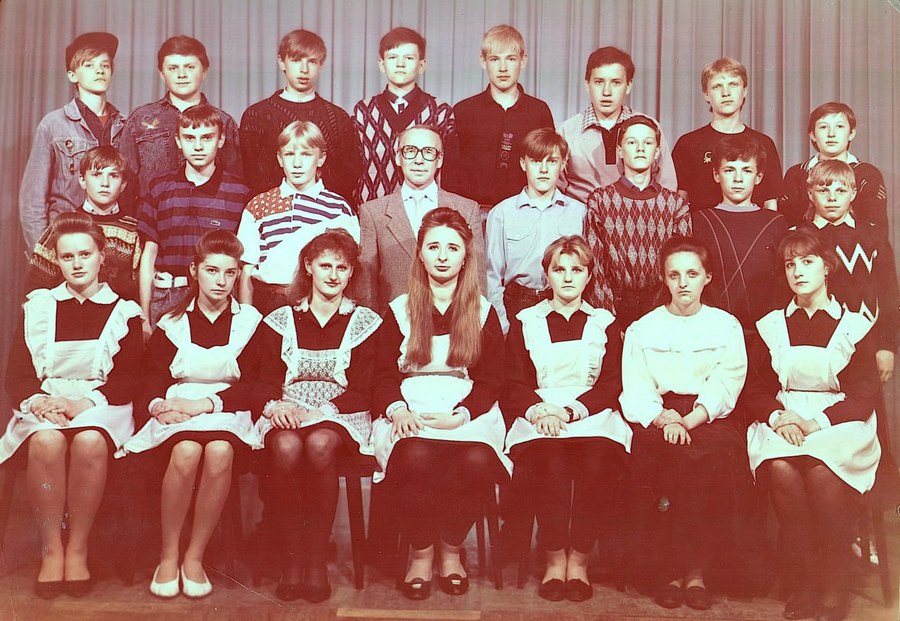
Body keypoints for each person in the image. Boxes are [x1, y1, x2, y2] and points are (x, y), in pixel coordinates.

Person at [0, 212, 143, 598]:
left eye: (85, 254)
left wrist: (84, 402)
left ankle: (77, 548)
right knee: (46, 441)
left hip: (102, 403)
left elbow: (128, 378)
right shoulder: (39, 307)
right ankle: (52, 550)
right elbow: (17, 374)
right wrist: (40, 401)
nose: (77, 264)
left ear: (101, 257)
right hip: (46, 402)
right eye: (67, 256)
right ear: (58, 261)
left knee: (90, 441)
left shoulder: (124, 311)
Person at [370, 207, 509, 600]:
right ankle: (420, 552)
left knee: (477, 458)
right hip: (411, 406)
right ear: (420, 254)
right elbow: (380, 378)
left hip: (465, 408)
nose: (443, 256)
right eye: (433, 247)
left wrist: (462, 415)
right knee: (415, 454)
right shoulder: (399, 310)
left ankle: (451, 548)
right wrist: (397, 410)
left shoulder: (482, 311)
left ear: (466, 256)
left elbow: (492, 379)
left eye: (452, 247)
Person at [745, 229, 881, 621]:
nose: (798, 271)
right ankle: (806, 580)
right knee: (781, 468)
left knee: (822, 470)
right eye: (790, 264)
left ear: (827, 267)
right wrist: (778, 418)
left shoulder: (854, 325)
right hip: (785, 417)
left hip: (839, 422)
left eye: (807, 262)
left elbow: (864, 394)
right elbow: (755, 389)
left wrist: (814, 423)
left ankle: (835, 580)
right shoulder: (771, 326)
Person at [120, 230, 263, 599]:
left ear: (237, 275)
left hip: (228, 410)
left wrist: (205, 404)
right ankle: (169, 554)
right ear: (194, 270)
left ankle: (195, 557)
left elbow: (256, 385)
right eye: (212, 271)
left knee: (219, 450)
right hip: (178, 408)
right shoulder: (171, 323)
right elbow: (152, 378)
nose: (220, 281)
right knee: (185, 451)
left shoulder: (249, 321)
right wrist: (158, 406)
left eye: (229, 273)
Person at [620, 235, 747, 611]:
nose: (683, 283)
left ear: (707, 277)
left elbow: (727, 383)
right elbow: (636, 385)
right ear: (664, 278)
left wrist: (688, 420)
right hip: (659, 414)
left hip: (708, 415)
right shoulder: (644, 328)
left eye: (692, 274)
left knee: (710, 459)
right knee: (661, 457)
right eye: (674, 275)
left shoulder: (725, 326)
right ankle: (668, 572)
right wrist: (662, 418)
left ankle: (697, 572)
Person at [253, 229, 381, 603]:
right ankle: (293, 559)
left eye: (342, 267)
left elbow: (365, 388)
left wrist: (323, 411)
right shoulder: (280, 320)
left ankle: (315, 560)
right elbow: (262, 380)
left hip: (340, 413)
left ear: (351, 271)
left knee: (321, 443)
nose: (333, 275)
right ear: (308, 267)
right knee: (287, 446)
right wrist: (277, 407)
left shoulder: (365, 322)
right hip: (288, 410)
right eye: (325, 265)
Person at [503, 235, 631, 602]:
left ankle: (580, 559)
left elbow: (612, 383)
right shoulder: (526, 321)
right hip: (540, 416)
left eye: (577, 270)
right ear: (547, 275)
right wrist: (540, 411)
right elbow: (513, 382)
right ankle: (554, 556)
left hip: (591, 415)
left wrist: (571, 411)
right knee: (551, 461)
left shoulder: (604, 323)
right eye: (559, 269)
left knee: (597, 461)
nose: (568, 277)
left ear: (589, 276)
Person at [138, 105, 250, 327]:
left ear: (221, 140)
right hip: (167, 297)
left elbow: (243, 263)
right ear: (178, 141)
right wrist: (144, 317)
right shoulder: (159, 188)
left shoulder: (239, 193)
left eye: (207, 138)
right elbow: (149, 254)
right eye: (189, 138)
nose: (198, 146)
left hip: (219, 300)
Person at [357, 125, 485, 313]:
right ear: (398, 157)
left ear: (440, 159)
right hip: (394, 322)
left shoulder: (467, 209)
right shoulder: (373, 212)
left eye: (428, 152)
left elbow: (477, 276)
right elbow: (366, 283)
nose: (419, 160)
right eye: (410, 151)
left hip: (453, 319)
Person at [237, 120, 359, 314]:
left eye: (306, 154)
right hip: (269, 302)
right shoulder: (258, 206)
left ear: (321, 158)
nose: (297, 164)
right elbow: (246, 271)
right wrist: (246, 317)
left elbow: (348, 266)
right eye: (289, 154)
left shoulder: (339, 209)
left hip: (318, 304)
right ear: (279, 158)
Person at [19, 32, 126, 250]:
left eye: (105, 66)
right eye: (89, 65)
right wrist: (43, 254)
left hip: (114, 242)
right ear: (72, 75)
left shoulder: (126, 125)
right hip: (66, 241)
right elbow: (32, 201)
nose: (99, 70)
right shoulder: (53, 124)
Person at [584, 115, 691, 328]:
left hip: (662, 307)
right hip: (616, 306)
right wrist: (608, 320)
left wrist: (670, 313)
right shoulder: (600, 200)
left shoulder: (675, 204)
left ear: (657, 152)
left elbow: (682, 264)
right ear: (620, 151)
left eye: (648, 143)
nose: (640, 148)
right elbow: (595, 264)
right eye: (632, 142)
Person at [240, 29, 362, 206]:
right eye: (296, 60)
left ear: (321, 65)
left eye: (312, 61)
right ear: (282, 62)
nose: (304, 70)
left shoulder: (338, 118)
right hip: (271, 212)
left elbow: (348, 178)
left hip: (325, 213)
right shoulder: (257, 116)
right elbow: (249, 176)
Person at [119, 35, 242, 201]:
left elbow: (235, 180)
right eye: (173, 68)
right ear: (162, 74)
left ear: (205, 71)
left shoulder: (224, 122)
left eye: (190, 67)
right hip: (151, 213)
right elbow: (124, 180)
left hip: (208, 210)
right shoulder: (140, 119)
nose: (181, 74)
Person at [485, 128, 584, 333]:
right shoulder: (501, 213)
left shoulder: (579, 212)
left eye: (552, 161)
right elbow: (491, 276)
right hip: (516, 305)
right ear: (523, 164)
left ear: (563, 164)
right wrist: (503, 324)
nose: (544, 169)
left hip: (564, 304)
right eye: (536, 161)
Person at [449, 25, 554, 210]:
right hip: (472, 211)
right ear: (483, 61)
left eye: (511, 59)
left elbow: (549, 167)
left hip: (524, 210)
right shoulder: (464, 111)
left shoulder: (539, 111)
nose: (503, 68)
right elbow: (452, 172)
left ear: (523, 61)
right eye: (495, 59)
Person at [692, 135, 789, 333]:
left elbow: (782, 284)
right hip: (711, 329)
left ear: (758, 177)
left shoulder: (775, 222)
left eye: (747, 170)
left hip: (764, 331)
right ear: (716, 174)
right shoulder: (699, 220)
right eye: (729, 170)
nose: (738, 179)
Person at [558, 46, 677, 204]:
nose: (606, 92)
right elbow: (555, 190)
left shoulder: (648, 128)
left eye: (616, 82)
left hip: (638, 214)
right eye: (599, 82)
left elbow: (667, 186)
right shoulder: (567, 131)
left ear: (628, 85)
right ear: (587, 84)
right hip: (583, 216)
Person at [354, 27, 460, 203]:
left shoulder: (440, 111)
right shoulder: (363, 111)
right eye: (392, 57)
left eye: (409, 58)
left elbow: (451, 172)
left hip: (427, 209)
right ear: (382, 64)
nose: (400, 64)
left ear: (421, 65)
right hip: (372, 207)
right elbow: (353, 168)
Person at [26, 145, 141, 301]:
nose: (105, 183)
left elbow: (139, 285)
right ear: (82, 180)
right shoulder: (64, 226)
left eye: (113, 176)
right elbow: (37, 283)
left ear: (123, 184)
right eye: (97, 175)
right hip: (69, 310)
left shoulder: (133, 230)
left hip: (117, 313)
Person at [672, 57, 782, 213]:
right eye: (717, 86)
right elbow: (679, 201)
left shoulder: (764, 144)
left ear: (744, 91)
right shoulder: (688, 143)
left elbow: (771, 204)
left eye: (733, 84)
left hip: (753, 227)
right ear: (706, 94)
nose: (726, 93)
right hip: (701, 226)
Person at [779, 102, 888, 229]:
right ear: (812, 135)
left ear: (851, 133)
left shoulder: (867, 174)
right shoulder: (796, 174)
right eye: (823, 127)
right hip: (805, 240)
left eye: (840, 126)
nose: (831, 134)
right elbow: (787, 225)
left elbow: (875, 226)